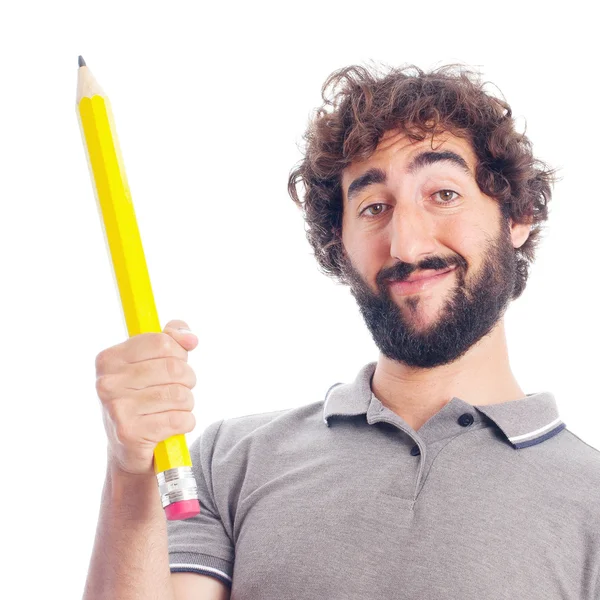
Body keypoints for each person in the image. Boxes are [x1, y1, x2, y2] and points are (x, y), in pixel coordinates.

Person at [82, 63, 600, 600]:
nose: (406, 245)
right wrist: (131, 472)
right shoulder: (229, 460)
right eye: (374, 207)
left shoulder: (591, 501)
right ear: (341, 245)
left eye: (443, 194)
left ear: (516, 216)